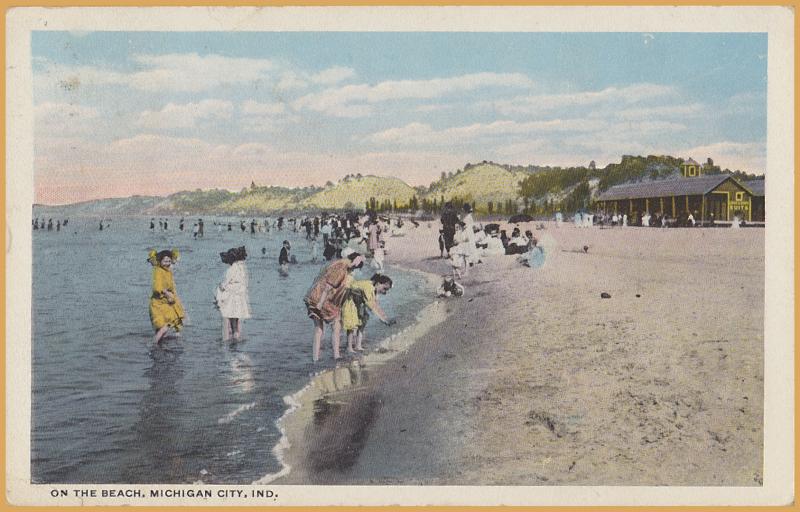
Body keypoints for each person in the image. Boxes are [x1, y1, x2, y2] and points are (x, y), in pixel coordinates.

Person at [304, 252, 365, 362]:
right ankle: (334, 356)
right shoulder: (341, 268)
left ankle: (316, 359)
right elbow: (328, 286)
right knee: (332, 326)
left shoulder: (338, 264)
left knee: (320, 328)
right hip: (322, 299)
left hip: (316, 297)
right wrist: (320, 304)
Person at [342, 273, 395, 353]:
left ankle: (358, 346)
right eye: (384, 289)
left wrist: (385, 318)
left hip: (359, 303)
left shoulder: (373, 289)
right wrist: (384, 319)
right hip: (350, 303)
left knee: (362, 322)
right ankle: (349, 348)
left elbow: (375, 305)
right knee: (351, 326)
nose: (384, 292)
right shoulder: (368, 287)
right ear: (378, 283)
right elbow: (371, 306)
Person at [148, 249, 185, 344]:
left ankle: (159, 345)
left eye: (169, 261)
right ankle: (153, 345)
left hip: (166, 303)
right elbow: (157, 287)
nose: (167, 263)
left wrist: (175, 299)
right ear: (160, 261)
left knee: (165, 327)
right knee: (164, 327)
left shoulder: (168, 271)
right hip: (157, 304)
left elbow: (171, 287)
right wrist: (167, 293)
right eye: (165, 261)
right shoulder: (158, 271)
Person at [215, 246, 251, 341]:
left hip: (231, 297)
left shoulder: (231, 270)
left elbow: (225, 284)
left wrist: (220, 287)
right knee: (236, 318)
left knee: (230, 317)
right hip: (240, 296)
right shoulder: (242, 268)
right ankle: (237, 335)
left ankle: (230, 337)